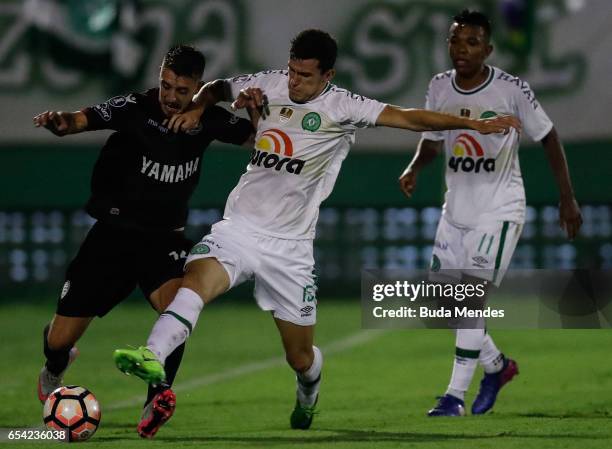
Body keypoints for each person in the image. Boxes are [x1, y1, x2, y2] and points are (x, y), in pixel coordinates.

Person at [112, 29, 520, 433]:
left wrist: (473, 127)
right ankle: (152, 353)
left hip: (290, 250)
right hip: (239, 228)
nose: (294, 82)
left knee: (300, 358)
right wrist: (199, 107)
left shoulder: (342, 106)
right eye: (292, 71)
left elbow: (409, 118)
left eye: (305, 76)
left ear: (328, 75)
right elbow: (217, 87)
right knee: (195, 284)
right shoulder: (268, 84)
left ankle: (308, 392)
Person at [33, 44, 254, 438]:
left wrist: (244, 109)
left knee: (177, 308)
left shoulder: (209, 120)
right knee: (60, 338)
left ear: (198, 89)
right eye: (165, 85)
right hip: (112, 238)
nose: (171, 96)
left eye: (182, 90)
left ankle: (158, 396)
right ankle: (54, 365)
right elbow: (82, 119)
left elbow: (257, 139)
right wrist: (60, 121)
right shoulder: (135, 108)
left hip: (162, 240)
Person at [398, 10, 583, 416]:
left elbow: (549, 137)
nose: (461, 49)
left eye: (472, 42)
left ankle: (453, 397)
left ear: (489, 49)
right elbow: (432, 139)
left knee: (468, 300)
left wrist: (566, 197)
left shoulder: (511, 89)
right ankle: (497, 367)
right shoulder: (439, 87)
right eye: (455, 40)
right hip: (455, 212)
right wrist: (415, 166)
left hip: (500, 210)